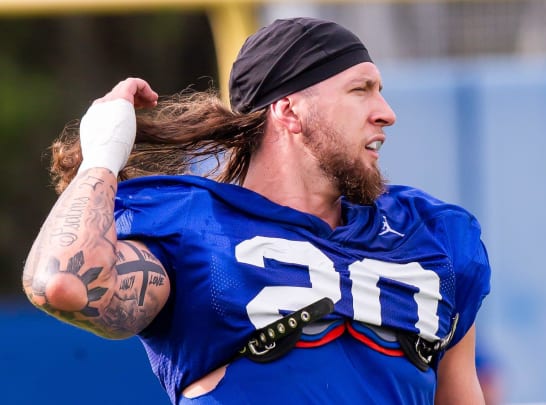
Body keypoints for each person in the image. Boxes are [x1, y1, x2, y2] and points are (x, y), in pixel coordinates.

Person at [22, 17, 491, 405]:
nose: (386, 111)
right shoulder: (196, 226)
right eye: (360, 90)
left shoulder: (432, 236)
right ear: (288, 112)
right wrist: (102, 159)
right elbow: (66, 284)